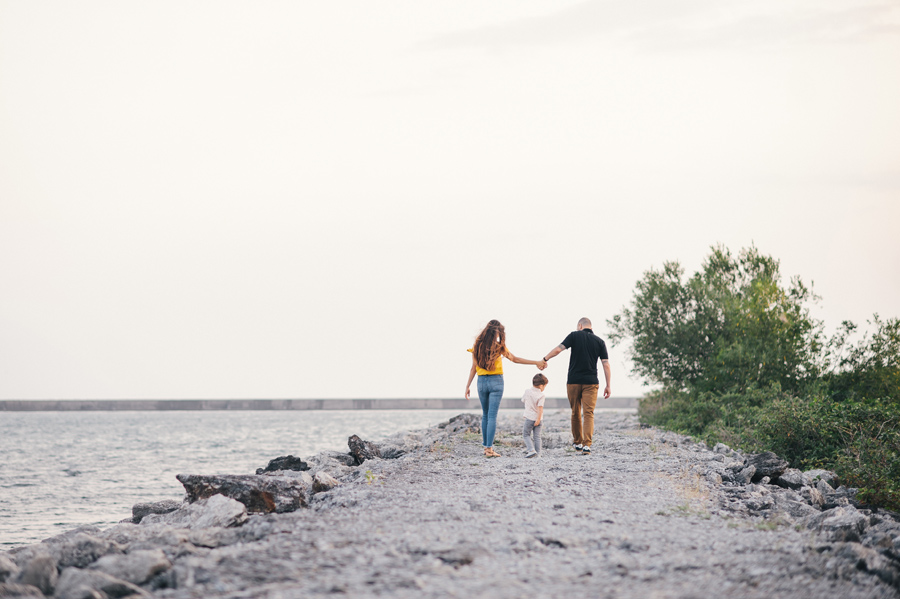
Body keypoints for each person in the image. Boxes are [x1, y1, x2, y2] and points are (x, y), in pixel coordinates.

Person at [465, 319, 547, 458]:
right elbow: (516, 359)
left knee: (485, 415)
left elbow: (473, 368)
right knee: (491, 416)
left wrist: (468, 386)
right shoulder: (498, 347)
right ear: (497, 333)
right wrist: (536, 362)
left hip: (481, 382)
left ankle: (486, 448)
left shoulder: (477, 346)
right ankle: (489, 450)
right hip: (496, 381)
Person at [542, 317, 611, 455]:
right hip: (591, 382)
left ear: (580, 325)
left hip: (573, 381)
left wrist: (545, 359)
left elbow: (558, 349)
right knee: (588, 413)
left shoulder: (574, 335)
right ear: (590, 326)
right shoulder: (600, 342)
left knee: (575, 411)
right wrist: (608, 385)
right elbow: (606, 364)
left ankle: (578, 442)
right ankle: (587, 445)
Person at [522, 373, 548, 458]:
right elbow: (540, 408)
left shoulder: (527, 392)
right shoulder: (541, 395)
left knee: (526, 434)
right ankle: (538, 454)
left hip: (529, 418)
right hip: (539, 419)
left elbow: (523, 400)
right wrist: (538, 419)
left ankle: (531, 450)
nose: (544, 388)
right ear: (541, 386)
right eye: (545, 386)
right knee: (537, 436)